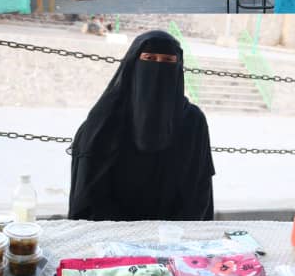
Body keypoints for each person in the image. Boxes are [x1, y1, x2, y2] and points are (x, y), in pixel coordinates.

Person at [68, 30, 215, 221]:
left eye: (168, 61)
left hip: (175, 231)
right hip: (112, 229)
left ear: (178, 67)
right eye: (149, 58)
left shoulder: (193, 121)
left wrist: (175, 230)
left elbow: (200, 189)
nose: (158, 67)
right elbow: (89, 193)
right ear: (133, 63)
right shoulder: (105, 119)